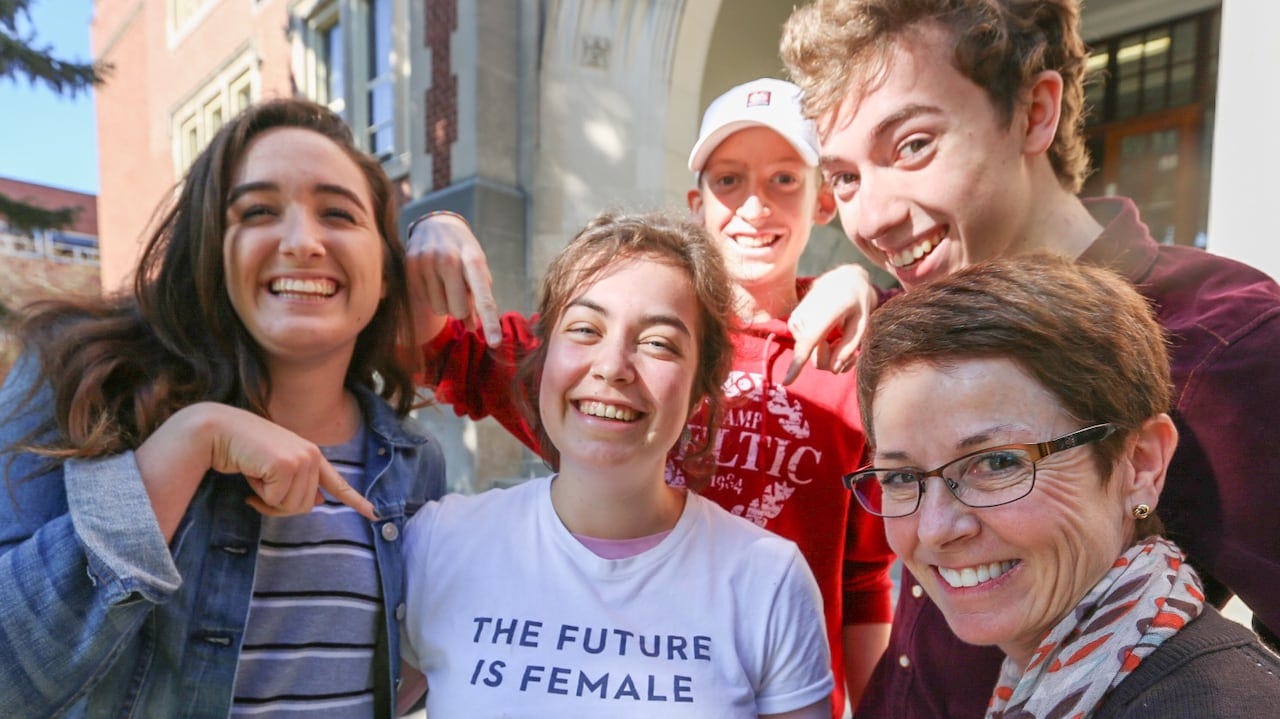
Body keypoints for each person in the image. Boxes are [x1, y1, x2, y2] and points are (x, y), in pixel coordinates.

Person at [781, 1, 1280, 716]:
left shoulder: (1225, 344)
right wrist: (859, 285)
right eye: (847, 177)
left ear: (1035, 112)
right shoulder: (912, 310)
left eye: (914, 145)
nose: (871, 218)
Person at [405, 78, 894, 715]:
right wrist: (430, 227)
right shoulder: (596, 362)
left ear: (822, 199)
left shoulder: (852, 354)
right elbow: (440, 349)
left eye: (784, 180)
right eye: (728, 180)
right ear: (697, 202)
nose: (754, 206)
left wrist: (873, 291)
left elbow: (862, 577)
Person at [0, 98, 446, 718]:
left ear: (387, 270)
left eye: (338, 214)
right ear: (213, 249)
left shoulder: (415, 461)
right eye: (258, 211)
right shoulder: (76, 381)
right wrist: (188, 444)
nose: (302, 243)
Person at [400, 211, 834, 718]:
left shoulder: (768, 581)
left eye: (658, 343)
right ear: (543, 366)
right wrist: (427, 226)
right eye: (585, 329)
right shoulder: (438, 545)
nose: (611, 367)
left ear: (698, 394)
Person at [850, 255, 1280, 718]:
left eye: (996, 463)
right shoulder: (1055, 685)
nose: (935, 529)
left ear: (1141, 464)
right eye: (900, 477)